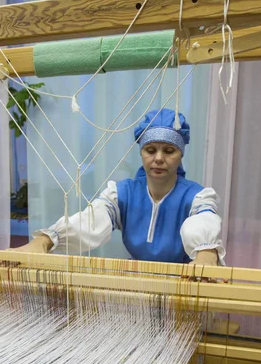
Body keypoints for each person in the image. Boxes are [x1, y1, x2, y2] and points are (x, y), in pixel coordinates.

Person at [12, 108, 225, 267]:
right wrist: (46, 240)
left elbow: (204, 220)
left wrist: (207, 253)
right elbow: (91, 220)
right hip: (136, 287)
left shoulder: (197, 197)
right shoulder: (122, 195)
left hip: (185, 285)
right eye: (150, 150)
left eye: (169, 151)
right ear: (141, 153)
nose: (158, 158)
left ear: (181, 154)